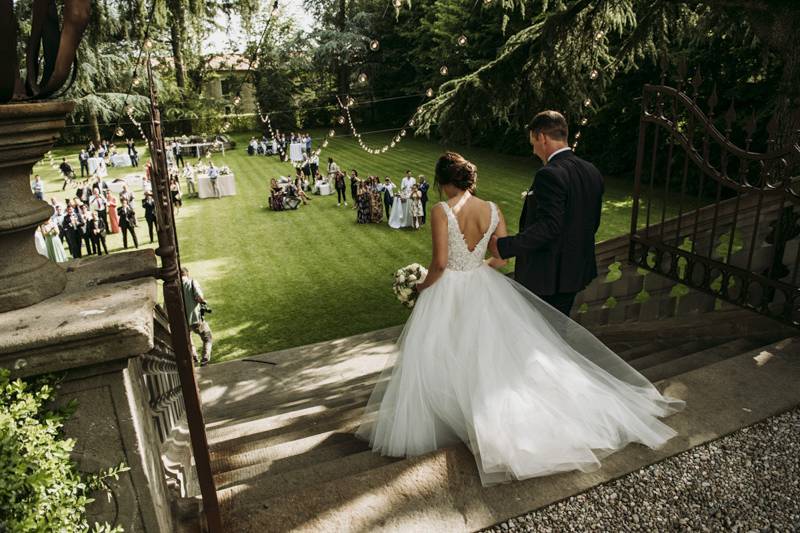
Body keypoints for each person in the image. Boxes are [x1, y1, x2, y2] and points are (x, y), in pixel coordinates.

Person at [356, 150, 684, 486]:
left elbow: (440, 264)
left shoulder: (441, 211)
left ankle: (454, 419)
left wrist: (421, 286)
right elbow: (500, 257)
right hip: (482, 286)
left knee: (443, 352)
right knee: (492, 356)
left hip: (449, 287)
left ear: (442, 183)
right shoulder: (493, 210)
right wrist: (478, 267)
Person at [489, 110, 604, 317]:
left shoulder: (549, 174)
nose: (533, 150)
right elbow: (592, 222)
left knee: (540, 337)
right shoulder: (591, 171)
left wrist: (503, 246)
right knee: (558, 333)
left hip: (548, 277)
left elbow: (549, 226)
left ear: (541, 137)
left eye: (533, 142)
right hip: (576, 272)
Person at [181, 267, 212, 366]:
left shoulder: (174, 287)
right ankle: (205, 358)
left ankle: (194, 356)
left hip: (182, 321)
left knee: (188, 338)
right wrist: (204, 302)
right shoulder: (192, 282)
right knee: (207, 338)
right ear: (187, 274)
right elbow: (199, 297)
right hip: (195, 319)